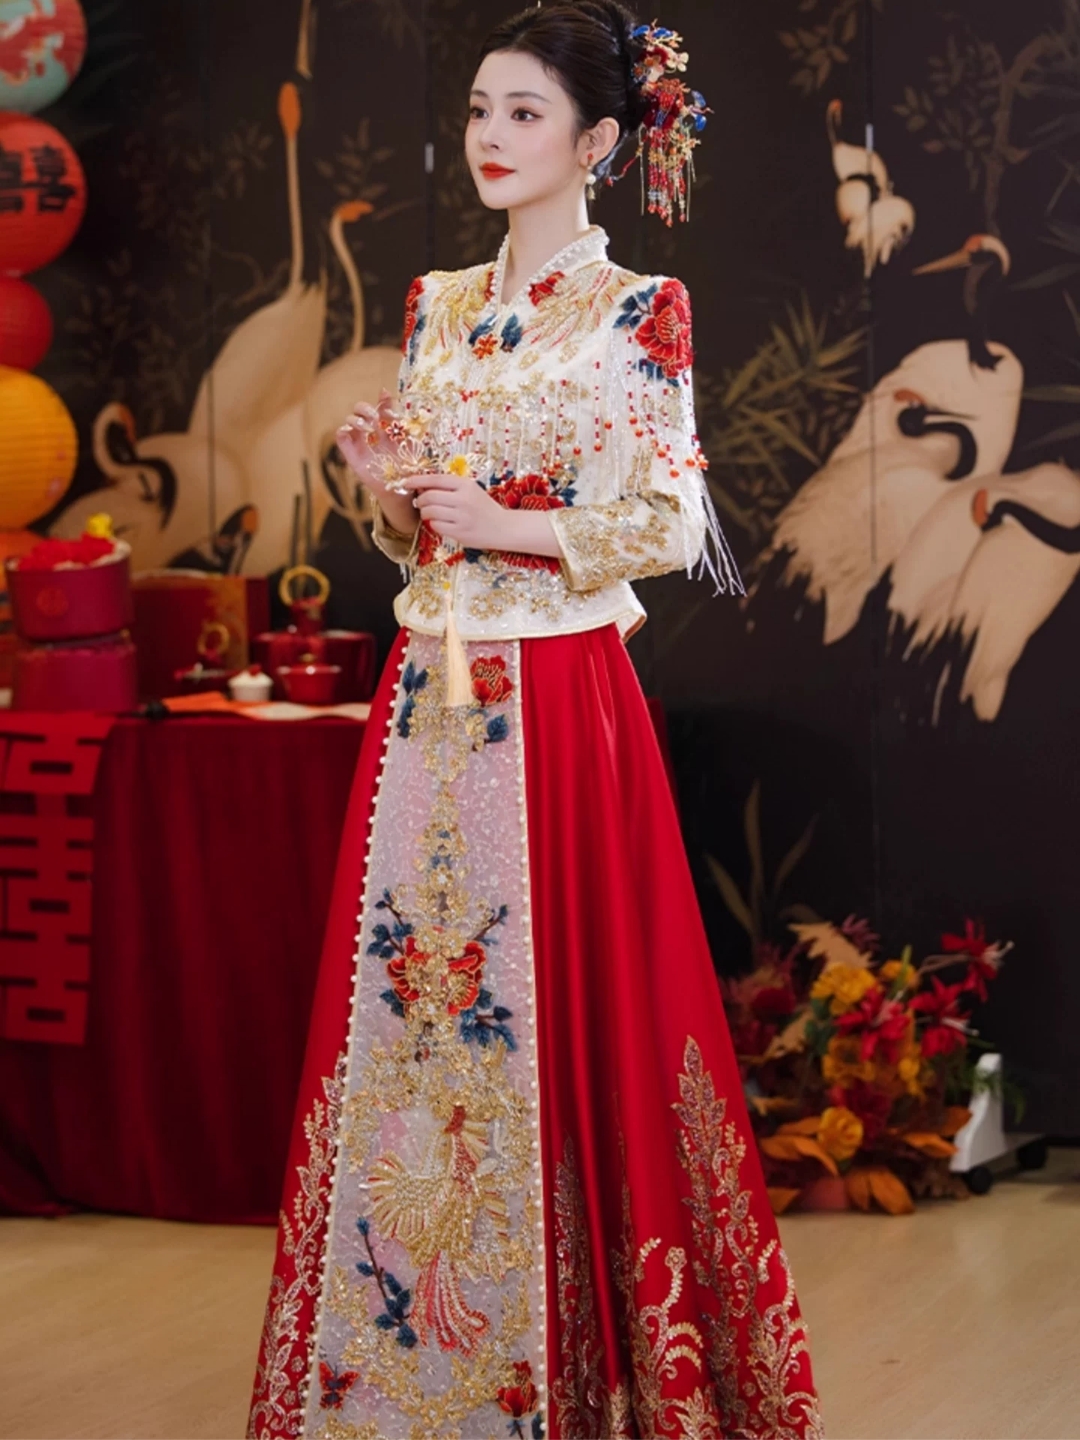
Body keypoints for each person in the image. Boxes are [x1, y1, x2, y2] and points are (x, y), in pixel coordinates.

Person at [248, 5, 822, 1437]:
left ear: (600, 139)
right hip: (430, 704)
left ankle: (578, 1371)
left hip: (558, 696)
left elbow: (670, 521)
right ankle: (404, 1374)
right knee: (412, 1015)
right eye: (480, 111)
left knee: (570, 1011)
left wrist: (504, 520)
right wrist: (393, 494)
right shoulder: (438, 302)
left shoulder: (639, 307)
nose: (491, 138)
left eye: (524, 113)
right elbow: (422, 537)